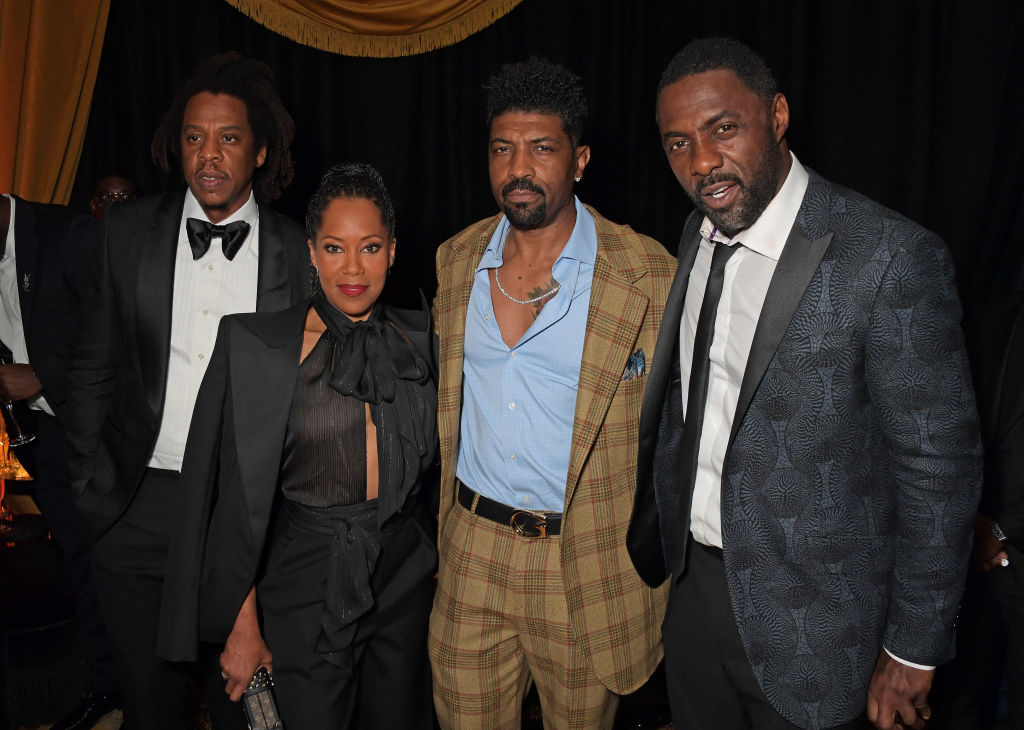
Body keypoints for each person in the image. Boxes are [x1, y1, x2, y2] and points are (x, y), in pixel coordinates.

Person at [627, 37, 982, 730]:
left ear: (778, 114)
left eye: (722, 129)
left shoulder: (888, 257)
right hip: (694, 597)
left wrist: (913, 647)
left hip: (822, 627)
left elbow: (939, 467)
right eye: (677, 143)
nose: (701, 162)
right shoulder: (696, 235)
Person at [63, 52, 310, 729]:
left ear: (260, 151)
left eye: (228, 137)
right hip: (137, 505)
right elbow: (89, 367)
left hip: (246, 517)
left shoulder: (301, 252)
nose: (209, 154)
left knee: (247, 708)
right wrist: (93, 489)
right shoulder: (128, 233)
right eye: (195, 137)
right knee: (152, 709)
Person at [429, 57, 676, 728]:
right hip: (472, 551)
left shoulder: (649, 275)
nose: (519, 167)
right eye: (503, 149)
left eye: (542, 149)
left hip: (584, 562)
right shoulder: (455, 262)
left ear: (580, 159)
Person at [158, 162, 438, 728]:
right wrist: (242, 625)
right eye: (335, 248)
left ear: (391, 251)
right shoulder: (256, 347)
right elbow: (225, 504)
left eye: (370, 247)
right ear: (311, 252)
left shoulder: (422, 338)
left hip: (405, 581)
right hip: (307, 583)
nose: (353, 268)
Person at [0, 195, 120, 729]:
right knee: (80, 568)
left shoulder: (66, 234)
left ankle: (146, 693)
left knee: (122, 571)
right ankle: (108, 689)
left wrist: (43, 372)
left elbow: (126, 328)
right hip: (40, 438)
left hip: (105, 436)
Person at [930, 291, 1024, 729]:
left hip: (1001, 541)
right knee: (959, 706)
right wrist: (971, 521)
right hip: (969, 553)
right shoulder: (986, 311)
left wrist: (1004, 528)